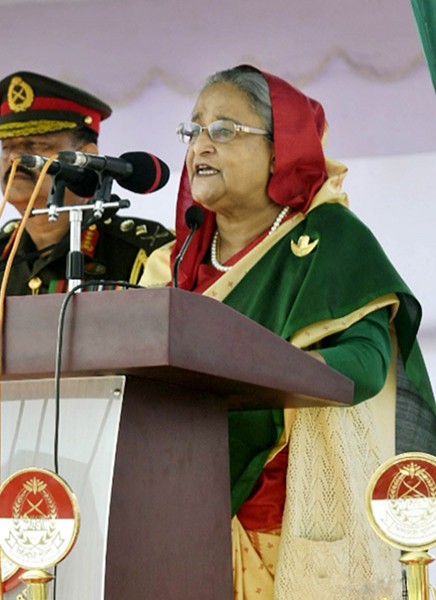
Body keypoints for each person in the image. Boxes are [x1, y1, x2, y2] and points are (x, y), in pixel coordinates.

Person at [140, 65, 436, 598]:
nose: (200, 145)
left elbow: (367, 364)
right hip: (176, 518)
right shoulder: (171, 261)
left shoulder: (332, 239)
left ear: (283, 150)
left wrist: (260, 368)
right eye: (194, 129)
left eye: (224, 130)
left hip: (288, 530)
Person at [0, 71, 174, 297]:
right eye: (6, 147)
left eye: (35, 144)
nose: (14, 158)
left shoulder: (142, 252)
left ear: (86, 157)